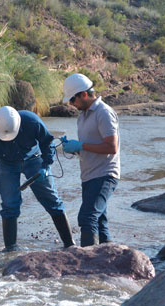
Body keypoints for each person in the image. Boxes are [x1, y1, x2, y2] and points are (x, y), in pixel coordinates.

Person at [0, 106, 75, 251]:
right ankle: (11, 250)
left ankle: (69, 245)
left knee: (51, 199)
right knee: (9, 204)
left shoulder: (32, 121)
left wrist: (46, 166)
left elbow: (48, 143)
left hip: (34, 159)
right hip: (6, 164)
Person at [61, 73, 120, 247]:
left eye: (73, 100)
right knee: (100, 221)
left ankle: (87, 264)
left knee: (87, 217)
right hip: (89, 176)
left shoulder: (104, 113)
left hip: (105, 174)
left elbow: (112, 147)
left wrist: (80, 146)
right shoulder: (83, 116)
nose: (71, 104)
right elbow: (90, 146)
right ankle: (106, 259)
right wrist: (75, 149)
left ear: (84, 95)